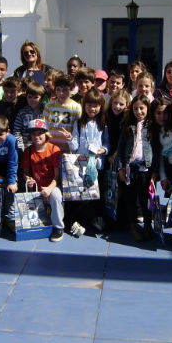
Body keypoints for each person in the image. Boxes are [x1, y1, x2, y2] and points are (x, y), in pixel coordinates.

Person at [61, 88, 110, 236]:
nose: (92, 108)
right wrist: (70, 140)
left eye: (95, 105)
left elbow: (107, 143)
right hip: (81, 164)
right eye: (89, 105)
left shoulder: (103, 123)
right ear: (84, 106)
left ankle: (92, 220)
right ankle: (75, 220)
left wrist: (103, 150)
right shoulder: (78, 123)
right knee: (79, 195)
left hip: (96, 166)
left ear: (101, 106)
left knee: (94, 195)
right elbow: (75, 146)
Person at [116, 94, 153, 241]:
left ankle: (148, 226)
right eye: (135, 108)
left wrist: (154, 172)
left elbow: (156, 148)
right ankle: (133, 226)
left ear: (147, 108)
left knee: (146, 200)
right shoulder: (128, 125)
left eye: (142, 108)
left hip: (145, 170)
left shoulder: (151, 125)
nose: (139, 111)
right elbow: (121, 146)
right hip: (130, 169)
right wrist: (120, 168)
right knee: (130, 199)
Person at [21, 119, 64, 242]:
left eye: (40, 133)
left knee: (56, 195)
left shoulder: (54, 150)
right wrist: (28, 179)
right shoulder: (28, 151)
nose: (36, 136)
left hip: (51, 187)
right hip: (36, 190)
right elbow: (25, 173)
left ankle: (58, 227)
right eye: (33, 134)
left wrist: (49, 189)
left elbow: (57, 177)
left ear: (46, 134)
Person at [105, 89, 131, 230]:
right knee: (109, 189)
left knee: (121, 189)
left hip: (121, 158)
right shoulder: (107, 116)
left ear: (126, 105)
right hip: (108, 157)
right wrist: (109, 154)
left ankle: (122, 221)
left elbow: (126, 140)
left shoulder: (127, 119)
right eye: (115, 103)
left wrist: (117, 154)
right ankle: (109, 218)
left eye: (121, 104)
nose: (117, 106)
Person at [41, 74, 82, 153]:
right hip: (50, 149)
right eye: (58, 90)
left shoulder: (77, 107)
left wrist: (71, 139)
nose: (61, 93)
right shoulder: (49, 105)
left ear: (72, 89)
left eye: (65, 90)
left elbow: (77, 131)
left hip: (68, 151)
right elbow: (44, 126)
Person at [14, 81, 46, 155]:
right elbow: (17, 131)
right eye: (30, 97)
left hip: (43, 148)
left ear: (41, 98)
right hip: (26, 148)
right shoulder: (22, 112)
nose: (32, 100)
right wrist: (21, 147)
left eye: (36, 97)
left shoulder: (46, 110)